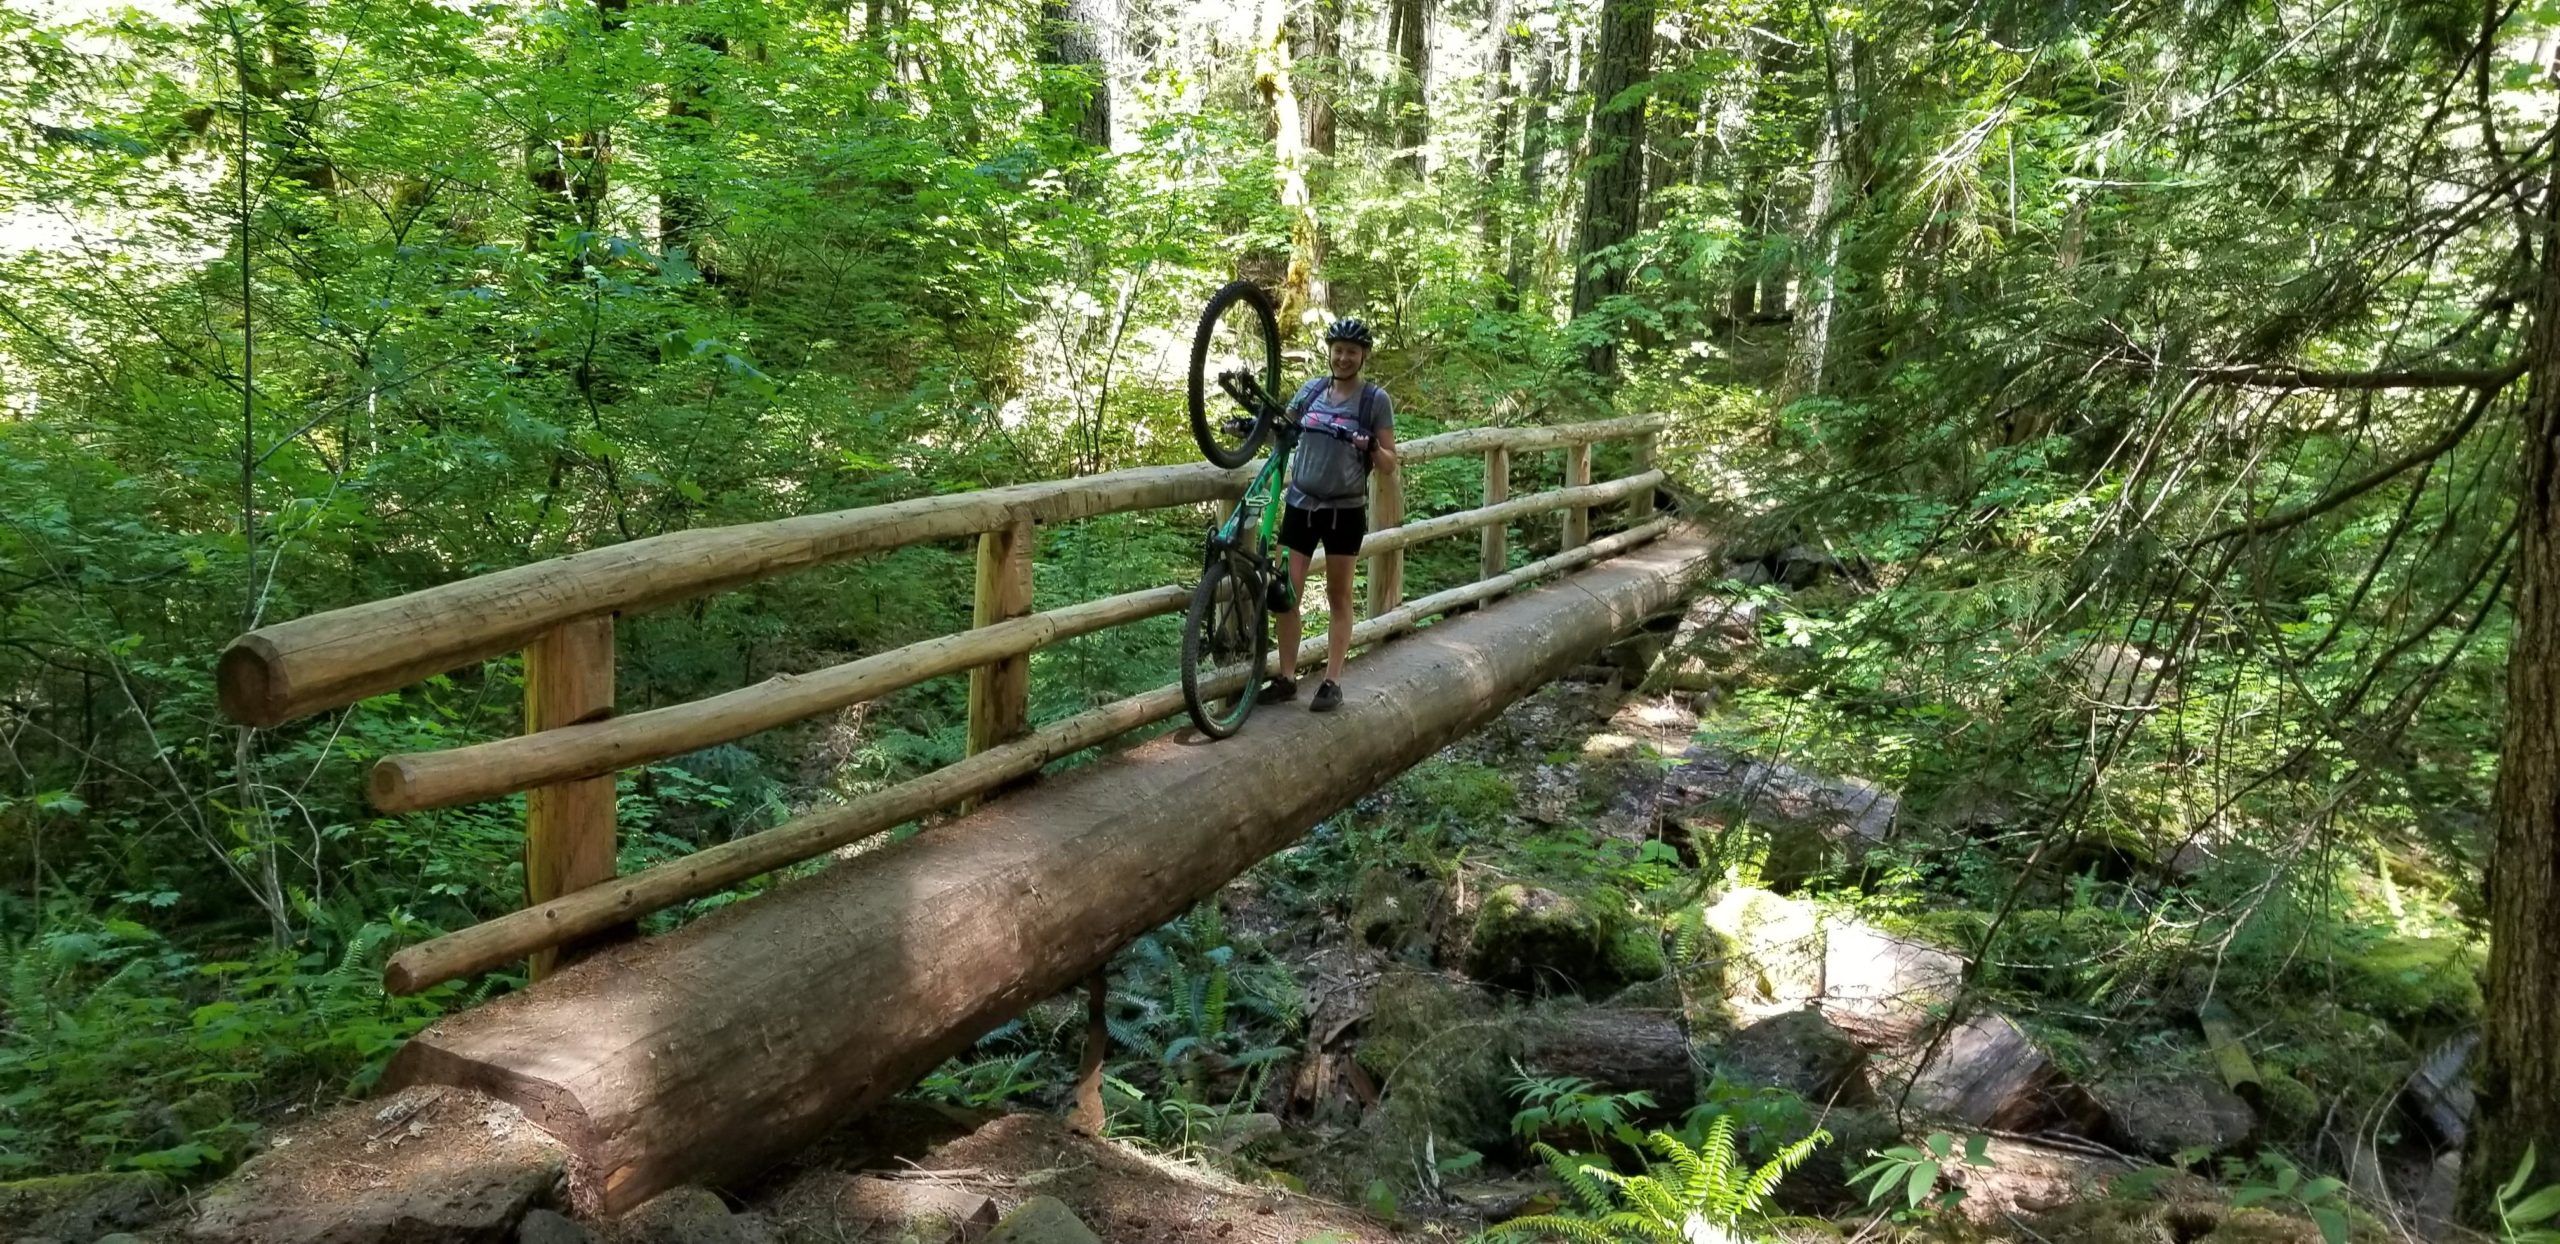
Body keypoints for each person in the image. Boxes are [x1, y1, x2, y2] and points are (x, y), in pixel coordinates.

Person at [1261, 317, 1397, 713]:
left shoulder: (1375, 400)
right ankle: (1287, 678)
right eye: (1338, 350)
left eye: (1351, 351)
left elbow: (1389, 463)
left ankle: (1332, 681)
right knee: (1286, 593)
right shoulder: (1311, 391)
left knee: (1339, 596)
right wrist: (1252, 429)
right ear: (1330, 351)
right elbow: (1282, 430)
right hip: (1301, 504)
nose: (1343, 357)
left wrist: (1371, 445)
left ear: (1363, 356)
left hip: (1344, 511)